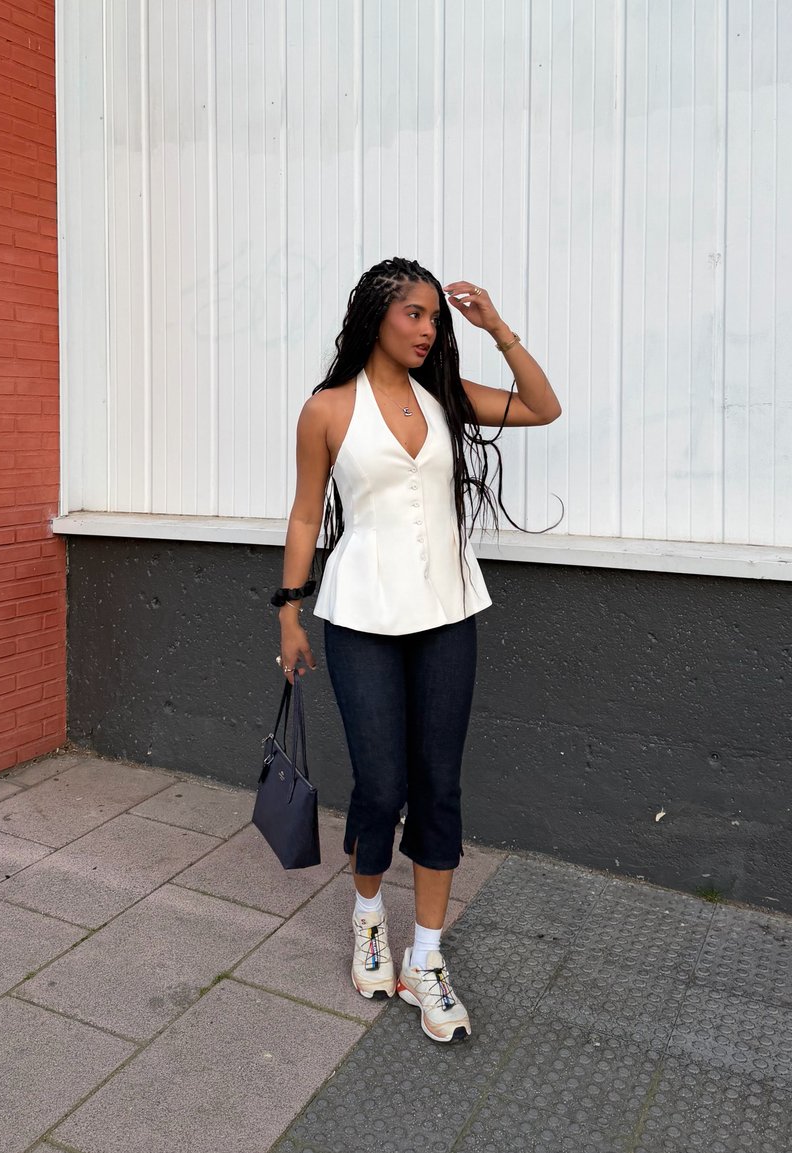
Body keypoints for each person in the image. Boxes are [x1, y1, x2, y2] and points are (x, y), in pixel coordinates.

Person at [273, 257, 561, 1043]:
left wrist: (495, 328)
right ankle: (369, 914)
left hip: (447, 611)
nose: (429, 329)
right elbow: (306, 516)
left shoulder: (448, 399)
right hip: (361, 615)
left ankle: (425, 959)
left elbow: (544, 406)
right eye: (415, 314)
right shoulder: (327, 409)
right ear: (376, 316)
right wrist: (288, 611)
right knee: (379, 784)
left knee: (438, 785)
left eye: (436, 316)